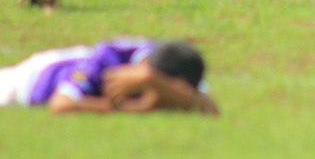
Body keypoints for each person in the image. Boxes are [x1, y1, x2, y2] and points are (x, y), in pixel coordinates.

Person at [0, 37, 217, 114]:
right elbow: (61, 105)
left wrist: (152, 83)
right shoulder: (106, 62)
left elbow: (209, 107)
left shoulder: (176, 64)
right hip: (25, 80)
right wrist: (134, 109)